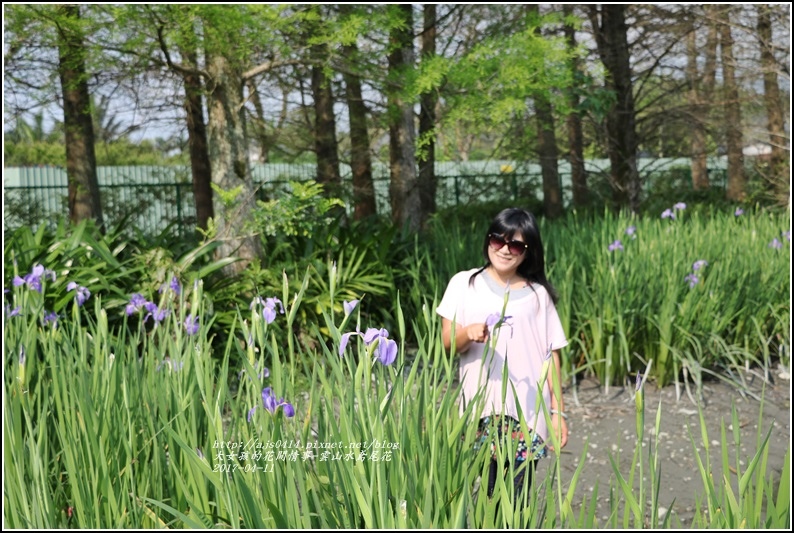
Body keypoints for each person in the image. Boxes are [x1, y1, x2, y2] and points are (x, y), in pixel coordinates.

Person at [436, 207, 569, 507]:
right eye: (498, 240)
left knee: (517, 501)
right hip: (478, 412)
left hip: (527, 414)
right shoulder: (464, 283)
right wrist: (466, 333)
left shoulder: (538, 295)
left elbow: (552, 357)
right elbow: (445, 343)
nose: (505, 250)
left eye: (516, 245)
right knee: (486, 497)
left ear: (527, 252)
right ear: (488, 240)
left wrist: (559, 412)